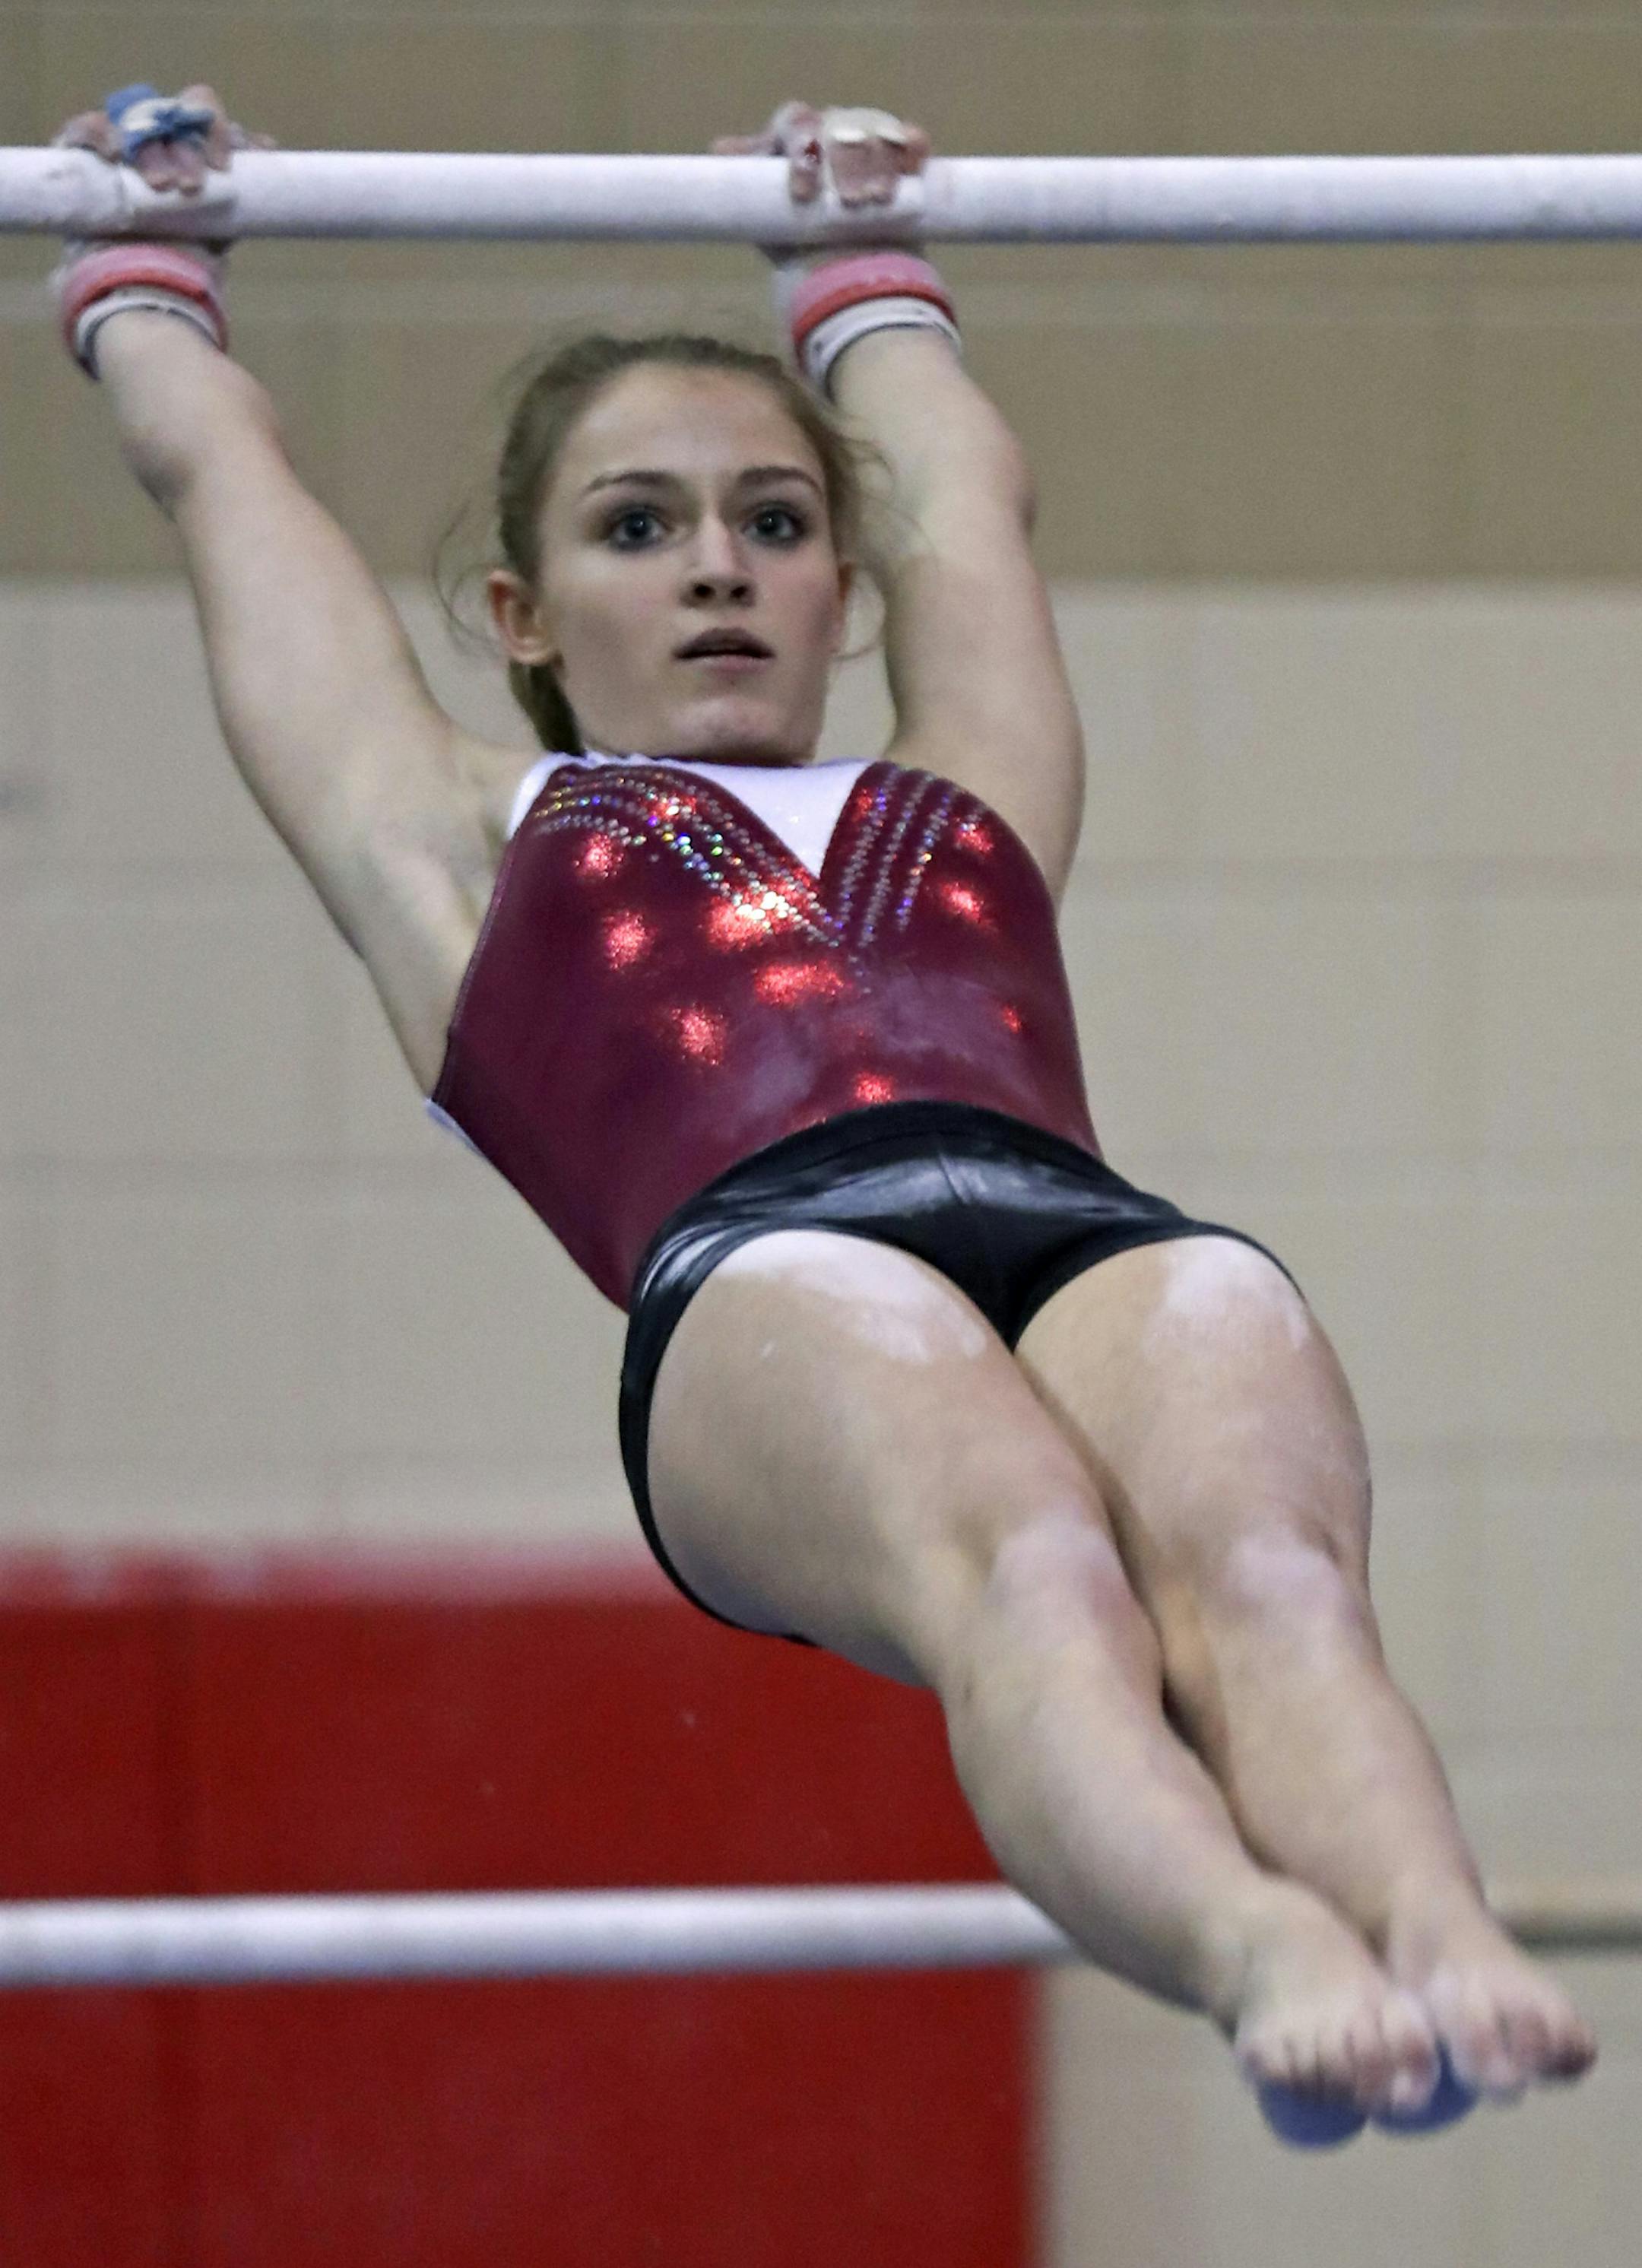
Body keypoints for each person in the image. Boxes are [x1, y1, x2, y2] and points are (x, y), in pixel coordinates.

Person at [49, 84, 1596, 2145]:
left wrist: (861, 276)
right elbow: (229, 506)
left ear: (844, 586)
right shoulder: (459, 846)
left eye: (775, 523)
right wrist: (139, 269)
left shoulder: (964, 802)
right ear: (520, 614)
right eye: (637, 526)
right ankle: (1255, 1949)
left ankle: (1427, 1924)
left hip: (1080, 1226)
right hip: (761, 1271)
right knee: (1039, 1569)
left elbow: (975, 503)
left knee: (1272, 1575)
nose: (717, 569)